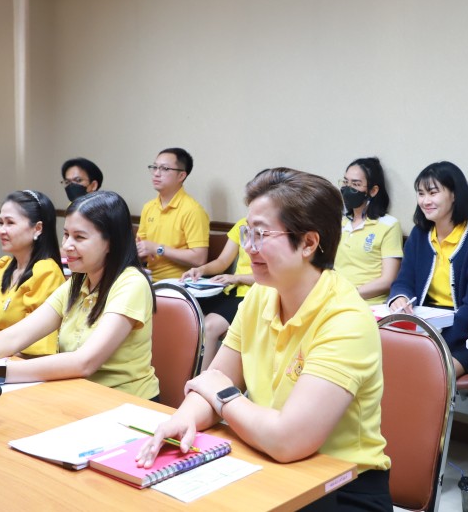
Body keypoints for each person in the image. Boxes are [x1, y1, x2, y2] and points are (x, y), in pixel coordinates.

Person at [135, 169, 391, 510]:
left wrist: (224, 397)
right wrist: (184, 419)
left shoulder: (347, 319)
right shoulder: (261, 294)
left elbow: (288, 439)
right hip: (265, 458)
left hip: (339, 486)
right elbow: (214, 379)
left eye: (261, 234)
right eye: (247, 233)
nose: (248, 247)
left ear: (308, 243)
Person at [0, 191, 159, 400]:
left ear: (111, 243)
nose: (67, 245)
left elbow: (84, 362)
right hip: (78, 396)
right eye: (66, 235)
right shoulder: (78, 282)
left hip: (125, 405)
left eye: (79, 237)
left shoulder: (132, 283)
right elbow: (15, 337)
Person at [388, 161, 468, 377]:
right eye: (421, 194)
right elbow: (403, 281)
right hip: (425, 329)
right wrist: (400, 298)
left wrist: (433, 339)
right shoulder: (419, 235)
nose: (425, 201)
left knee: (429, 375)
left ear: (454, 195)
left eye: (433, 193)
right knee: (384, 365)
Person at [0, 190, 65, 356]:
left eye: (10, 223)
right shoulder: (2, 268)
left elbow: (37, 345)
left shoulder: (46, 273)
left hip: (19, 364)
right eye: (0, 223)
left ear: (37, 228)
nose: (1, 230)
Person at [181, 215, 254, 370]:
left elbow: (273, 275)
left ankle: (203, 381)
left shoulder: (274, 230)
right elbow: (222, 261)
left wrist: (237, 277)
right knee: (186, 311)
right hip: (231, 290)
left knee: (209, 326)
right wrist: (201, 270)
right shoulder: (242, 225)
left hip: (253, 293)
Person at [333, 157, 403, 305]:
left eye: (356, 184)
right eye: (345, 182)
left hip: (369, 304)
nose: (348, 188)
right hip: (336, 300)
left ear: (373, 190)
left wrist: (349, 295)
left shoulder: (389, 225)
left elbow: (388, 280)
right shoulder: (339, 222)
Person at [136, 147, 210, 281]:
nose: (156, 173)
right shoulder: (148, 207)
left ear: (181, 176)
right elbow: (142, 247)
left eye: (164, 169)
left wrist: (158, 249)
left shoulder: (193, 210)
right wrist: (140, 251)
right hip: (149, 279)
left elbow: (199, 259)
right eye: (155, 167)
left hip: (178, 283)